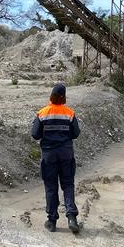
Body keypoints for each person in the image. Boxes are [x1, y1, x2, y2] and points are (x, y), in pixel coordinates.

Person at [31, 83, 81, 233]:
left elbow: (35, 134)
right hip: (66, 154)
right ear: (64, 97)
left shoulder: (42, 113)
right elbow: (76, 133)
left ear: (51, 96)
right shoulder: (69, 113)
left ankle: (52, 220)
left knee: (51, 186)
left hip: (49, 155)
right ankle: (72, 217)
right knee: (68, 185)